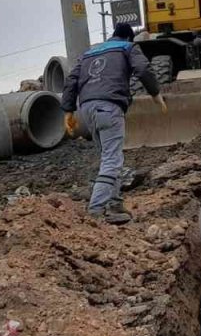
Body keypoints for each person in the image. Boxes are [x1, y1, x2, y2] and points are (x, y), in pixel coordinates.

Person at [60, 22, 167, 224]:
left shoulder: (89, 53)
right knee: (111, 161)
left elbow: (71, 80)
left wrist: (68, 111)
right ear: (129, 37)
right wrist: (155, 93)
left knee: (109, 157)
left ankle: (115, 205)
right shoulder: (128, 47)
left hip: (87, 109)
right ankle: (96, 211)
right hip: (109, 106)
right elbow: (143, 69)